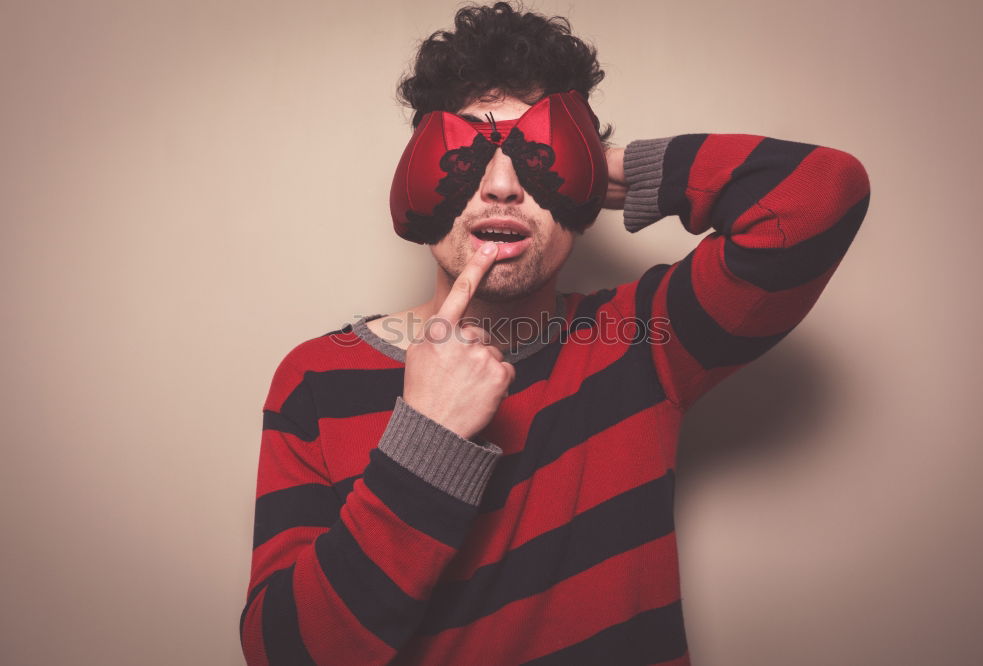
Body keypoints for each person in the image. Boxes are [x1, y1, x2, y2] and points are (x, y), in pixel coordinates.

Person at [239, 3, 872, 664]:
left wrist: (609, 167)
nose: (505, 188)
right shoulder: (316, 378)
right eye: (467, 157)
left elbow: (822, 194)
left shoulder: (644, 340)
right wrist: (424, 442)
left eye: (541, 159)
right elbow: (284, 655)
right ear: (416, 184)